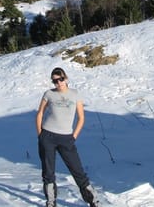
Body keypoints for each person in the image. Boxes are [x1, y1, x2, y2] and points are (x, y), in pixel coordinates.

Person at [36, 67, 100, 207]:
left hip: (66, 139)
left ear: (66, 78)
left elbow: (81, 118)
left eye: (61, 79)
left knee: (78, 171)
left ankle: (93, 201)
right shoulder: (48, 94)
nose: (58, 83)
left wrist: (74, 136)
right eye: (55, 81)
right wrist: (40, 134)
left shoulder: (75, 94)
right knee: (48, 172)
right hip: (48, 136)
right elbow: (40, 113)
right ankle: (51, 202)